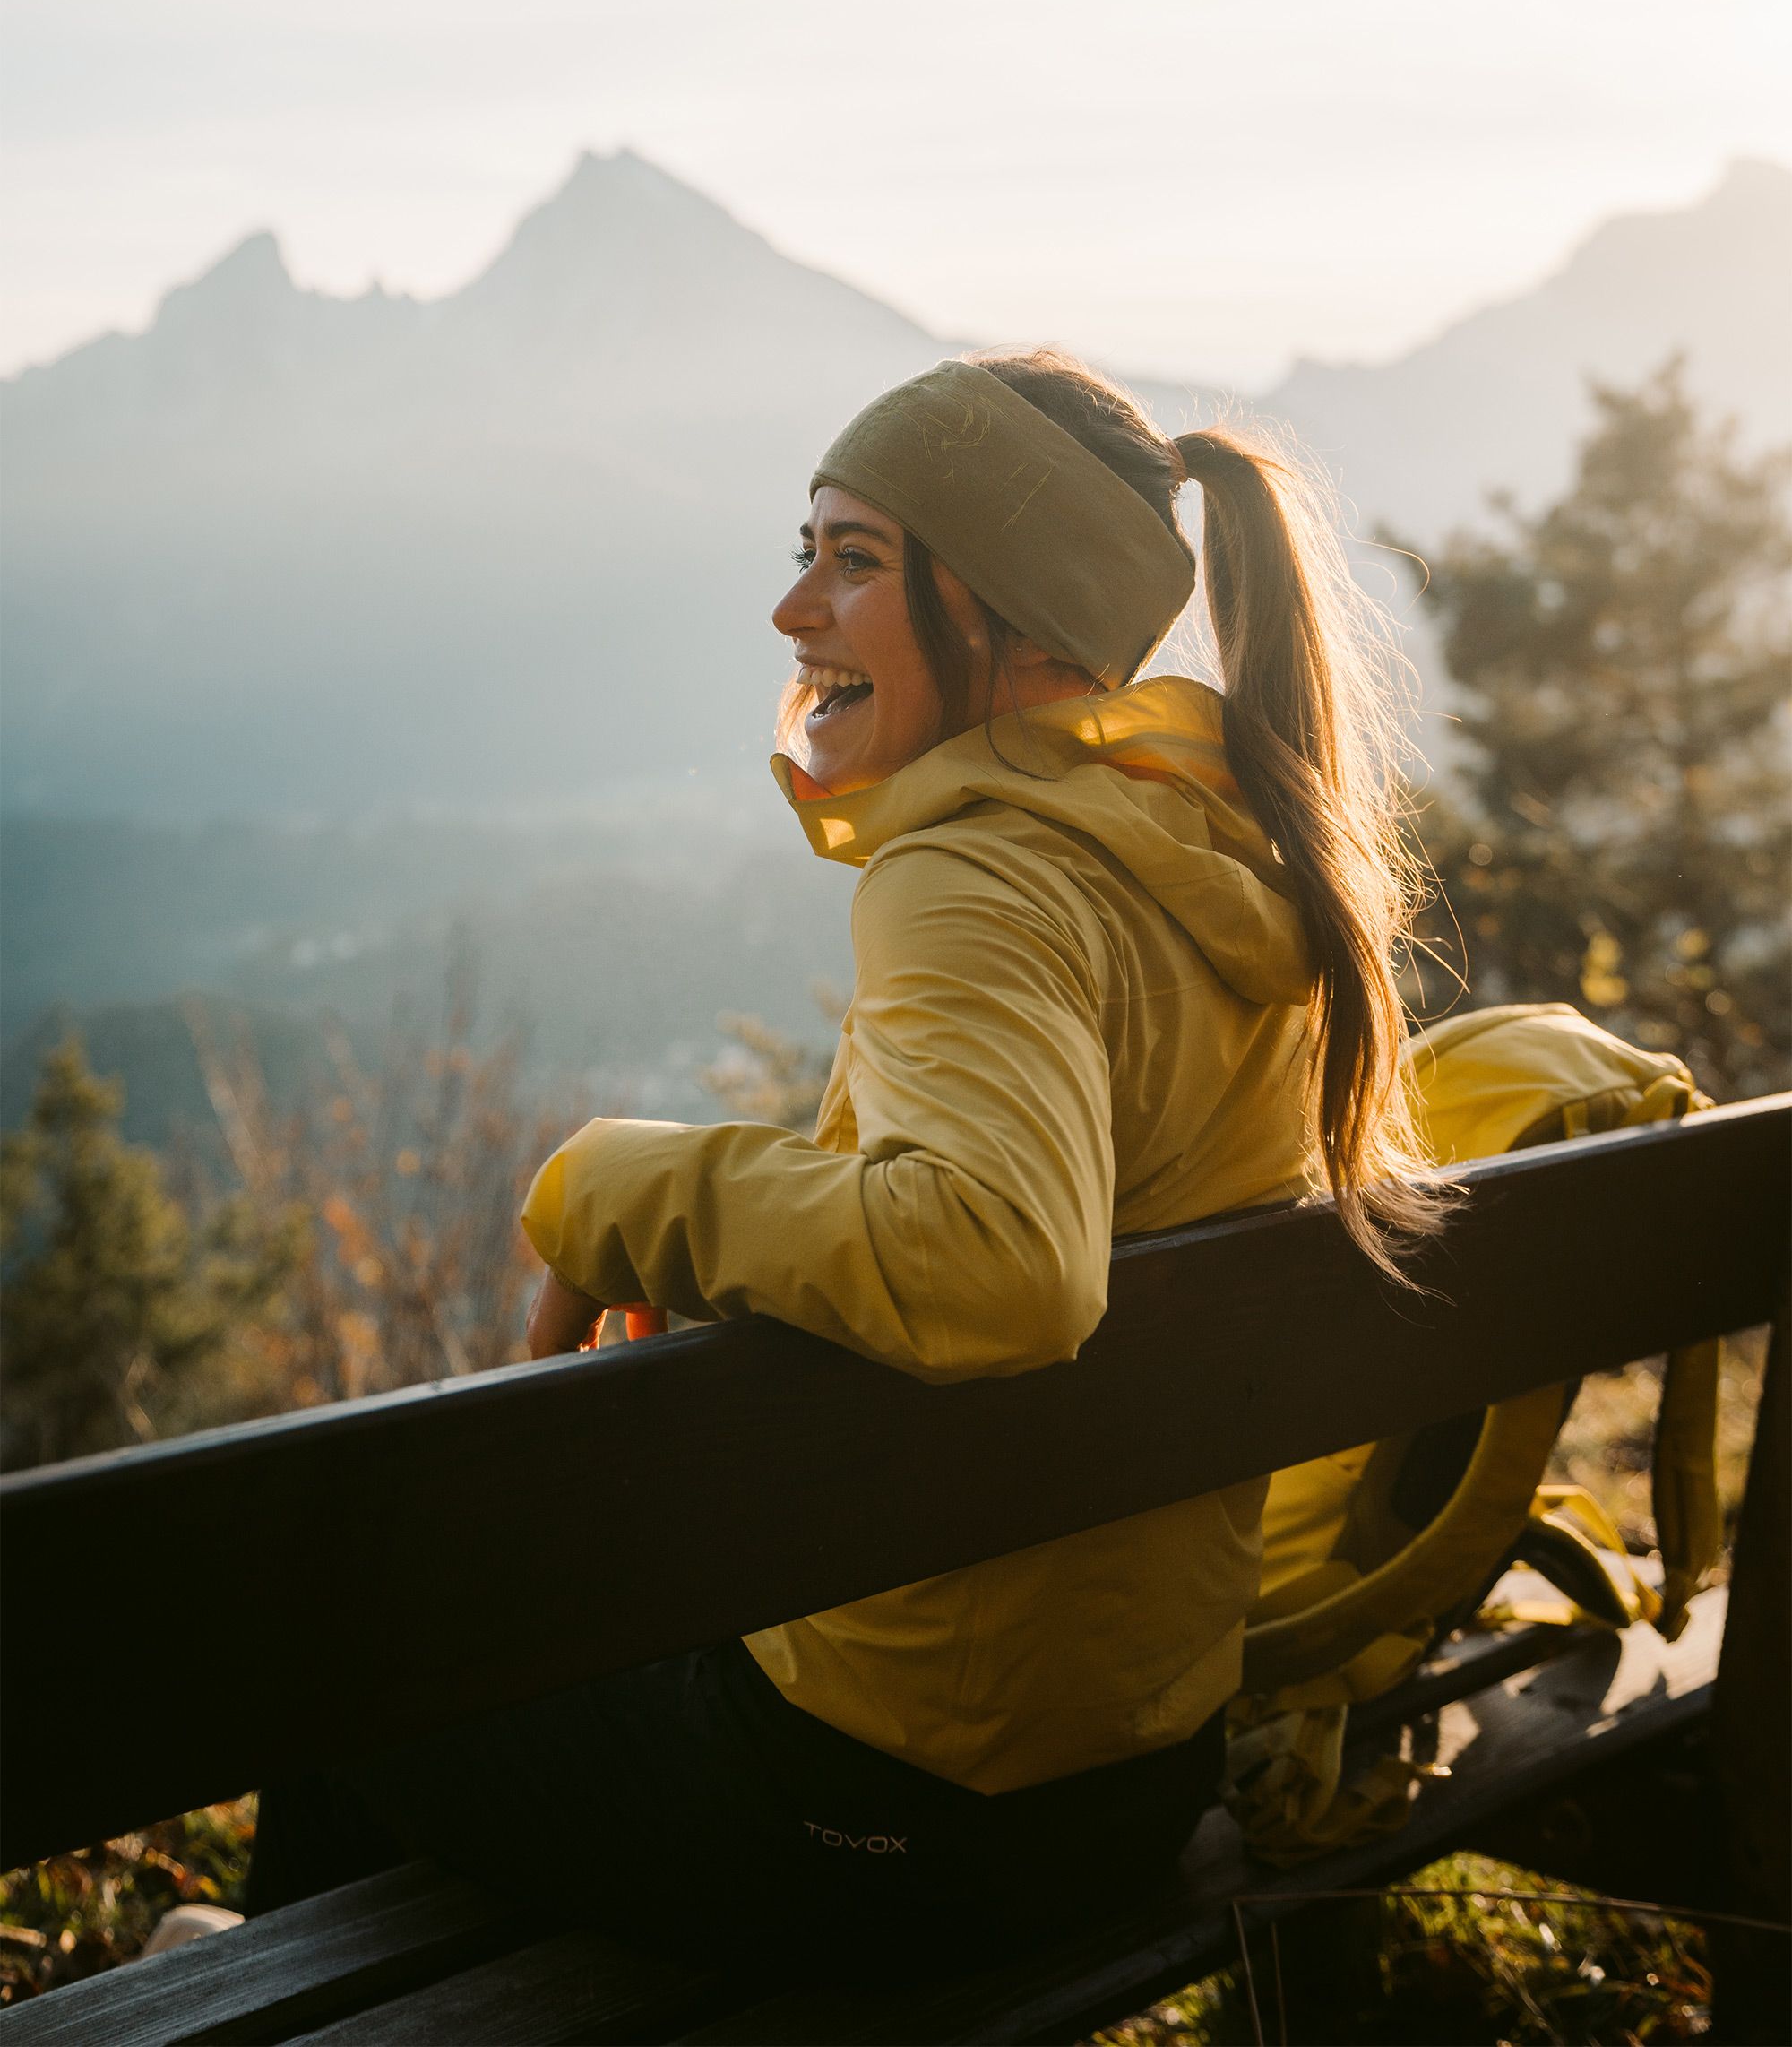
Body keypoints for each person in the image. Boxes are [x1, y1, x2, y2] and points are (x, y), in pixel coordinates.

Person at [246, 350, 1436, 1969]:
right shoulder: (1233, 850)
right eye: (804, 551)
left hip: (895, 1818)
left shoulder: (979, 877)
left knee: (336, 1638)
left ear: (1021, 615)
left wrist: (632, 1187)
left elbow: (999, 1266)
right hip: (1127, 1783)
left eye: (856, 559)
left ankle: (261, 1992)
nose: (796, 612)